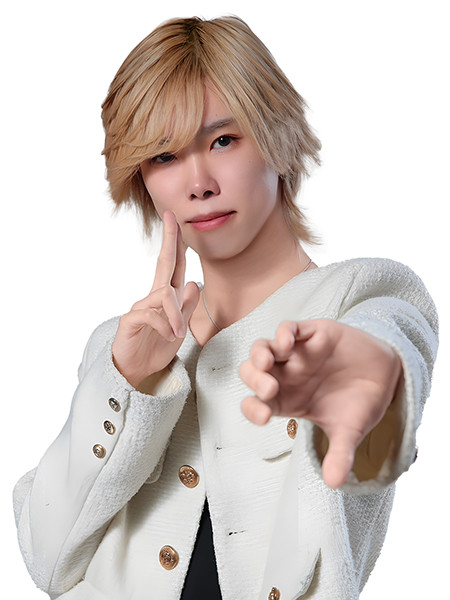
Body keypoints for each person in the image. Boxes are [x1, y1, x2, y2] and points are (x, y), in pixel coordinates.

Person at [13, 15, 438, 600]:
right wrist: (127, 383)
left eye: (222, 141)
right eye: (164, 155)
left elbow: (391, 345)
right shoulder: (120, 347)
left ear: (277, 136)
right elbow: (47, 560)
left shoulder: (356, 300)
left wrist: (373, 377)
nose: (199, 183)